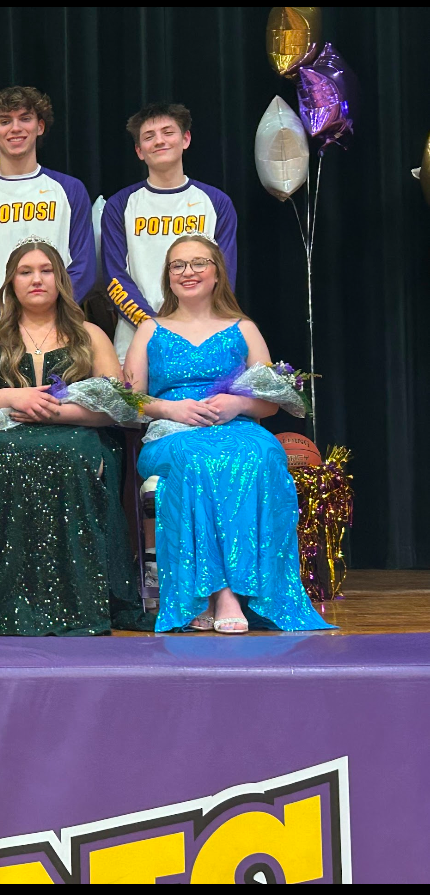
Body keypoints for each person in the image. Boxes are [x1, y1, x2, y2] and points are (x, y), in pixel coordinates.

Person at [0, 239, 149, 635]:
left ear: (60, 279)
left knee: (72, 452)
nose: (36, 279)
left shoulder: (90, 334)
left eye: (45, 270)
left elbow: (117, 407)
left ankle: (78, 597)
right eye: (25, 272)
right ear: (11, 282)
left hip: (77, 434)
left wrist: (54, 412)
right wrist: (11, 396)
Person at [123, 233, 332, 634]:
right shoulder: (149, 329)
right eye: (178, 265)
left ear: (217, 272)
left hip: (234, 426)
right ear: (168, 277)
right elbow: (128, 402)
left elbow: (269, 402)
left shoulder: (244, 328)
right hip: (172, 432)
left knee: (264, 453)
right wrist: (170, 407)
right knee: (197, 459)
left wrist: (238, 404)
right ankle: (218, 592)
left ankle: (253, 591)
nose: (189, 272)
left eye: (199, 263)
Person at [0, 86, 94, 330]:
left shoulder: (70, 190)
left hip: (59, 328)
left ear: (40, 127)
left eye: (25, 119)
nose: (16, 128)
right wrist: (1, 316)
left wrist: (47, 313)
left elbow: (84, 266)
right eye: (5, 121)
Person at [102, 102, 238, 362]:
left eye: (168, 132)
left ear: (185, 139)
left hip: (204, 332)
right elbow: (114, 276)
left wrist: (191, 323)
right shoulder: (119, 205)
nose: (159, 141)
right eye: (149, 137)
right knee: (140, 403)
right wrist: (152, 325)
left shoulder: (216, 202)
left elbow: (225, 272)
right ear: (139, 151)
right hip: (136, 334)